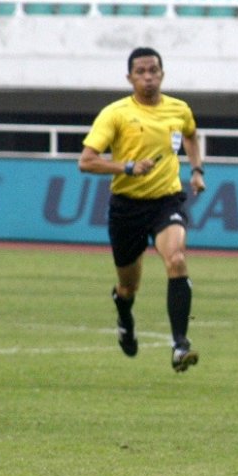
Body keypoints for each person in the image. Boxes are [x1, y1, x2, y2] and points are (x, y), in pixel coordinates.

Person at [79, 46, 206, 372]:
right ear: (130, 77)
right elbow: (87, 160)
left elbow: (191, 134)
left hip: (167, 200)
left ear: (162, 74)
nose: (148, 77)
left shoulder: (179, 109)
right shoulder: (116, 114)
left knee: (176, 259)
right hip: (127, 208)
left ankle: (180, 345)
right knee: (128, 285)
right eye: (141, 72)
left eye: (153, 71)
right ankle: (124, 314)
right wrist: (127, 167)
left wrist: (196, 170)